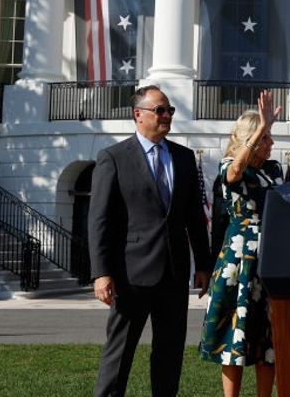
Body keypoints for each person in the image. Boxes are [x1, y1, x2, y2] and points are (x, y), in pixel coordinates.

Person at [88, 85, 212, 396]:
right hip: (131, 275)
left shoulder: (183, 158)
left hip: (173, 272)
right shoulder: (113, 158)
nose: (167, 116)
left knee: (169, 354)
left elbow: (195, 217)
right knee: (119, 354)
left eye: (170, 110)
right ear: (138, 114)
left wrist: (203, 264)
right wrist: (101, 272)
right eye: (160, 110)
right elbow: (99, 219)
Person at [199, 91, 283, 397]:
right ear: (252, 137)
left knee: (268, 338)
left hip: (270, 259)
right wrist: (262, 125)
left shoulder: (272, 170)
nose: (271, 142)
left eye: (270, 135)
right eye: (265, 137)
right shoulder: (229, 168)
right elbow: (235, 172)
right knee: (235, 335)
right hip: (240, 261)